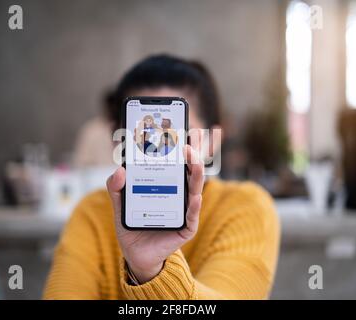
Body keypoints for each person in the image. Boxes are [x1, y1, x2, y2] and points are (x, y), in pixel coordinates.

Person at [44, 54, 280, 299]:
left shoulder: (244, 207)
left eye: (177, 137)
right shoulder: (92, 213)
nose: (158, 152)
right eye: (143, 136)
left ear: (212, 141)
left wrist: (152, 271)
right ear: (119, 141)